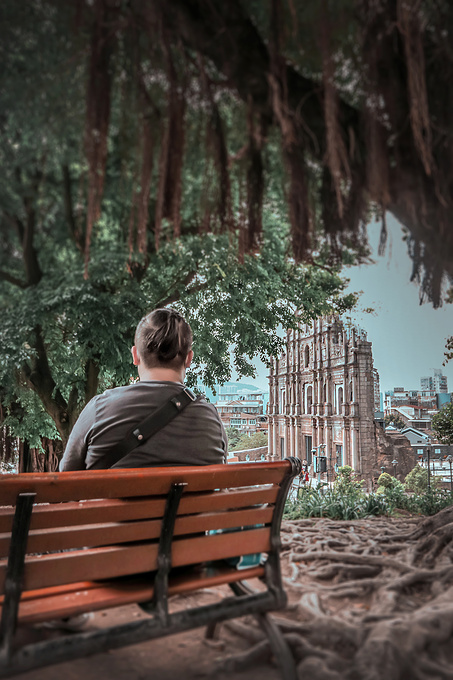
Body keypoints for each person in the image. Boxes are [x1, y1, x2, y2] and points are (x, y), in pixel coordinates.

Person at [60, 308, 227, 470]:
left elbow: (65, 481)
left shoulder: (99, 409)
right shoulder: (211, 419)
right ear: (189, 358)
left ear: (135, 355)